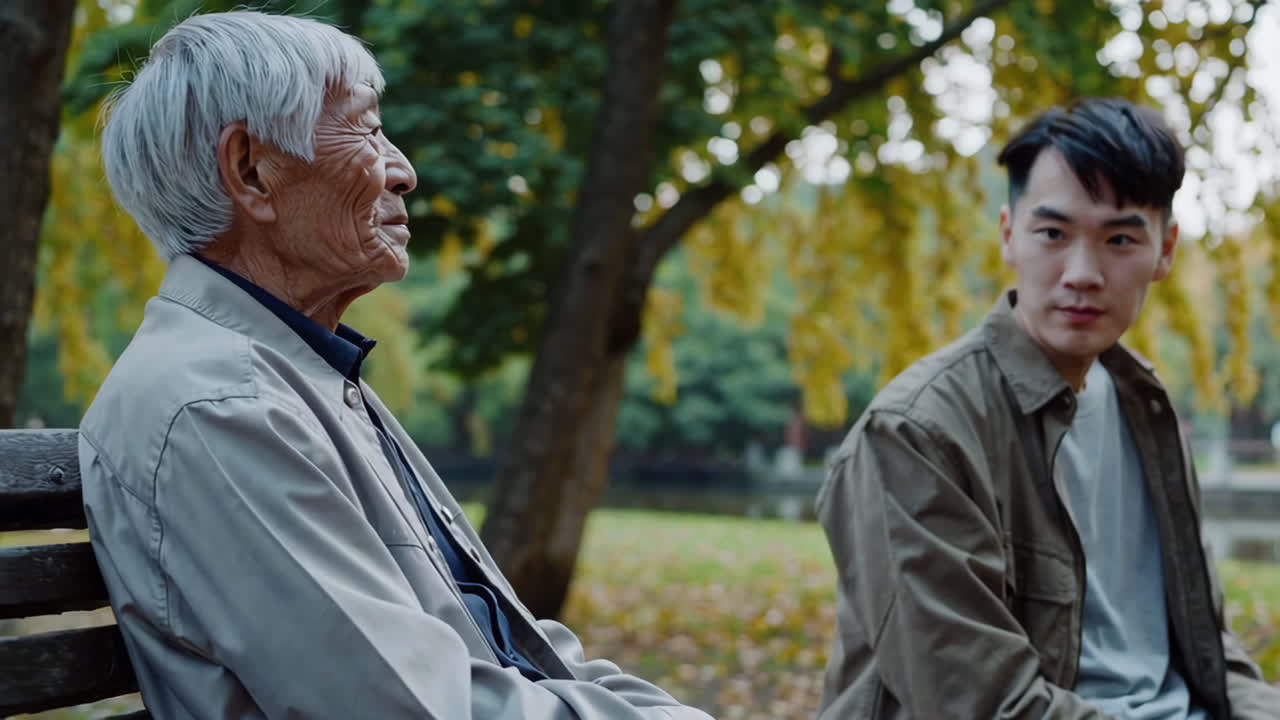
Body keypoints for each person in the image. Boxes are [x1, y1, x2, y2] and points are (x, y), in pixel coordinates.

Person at [80, 11, 713, 720]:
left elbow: (511, 641)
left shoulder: (296, 374)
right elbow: (411, 710)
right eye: (368, 129)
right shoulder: (218, 404)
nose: (403, 172)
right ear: (251, 171)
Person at [815, 98, 1280, 719]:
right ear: (1010, 235)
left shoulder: (1145, 405)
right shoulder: (915, 433)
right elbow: (980, 705)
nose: (1082, 273)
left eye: (1119, 239)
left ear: (1165, 250)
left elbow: (1204, 647)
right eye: (1053, 234)